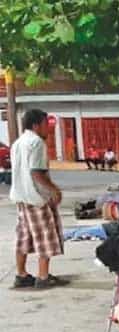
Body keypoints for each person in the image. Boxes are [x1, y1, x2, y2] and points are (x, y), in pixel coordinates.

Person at [10, 109, 68, 290]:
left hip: (20, 196)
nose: (48, 129)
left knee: (24, 236)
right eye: (45, 124)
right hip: (36, 197)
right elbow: (37, 173)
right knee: (45, 235)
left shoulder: (18, 143)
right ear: (36, 125)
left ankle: (21, 274)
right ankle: (43, 277)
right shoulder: (37, 143)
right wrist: (54, 190)